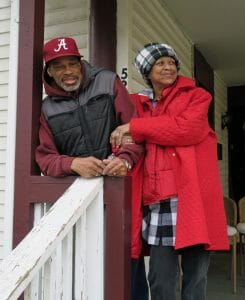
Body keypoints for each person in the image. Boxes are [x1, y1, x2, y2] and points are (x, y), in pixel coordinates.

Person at [110, 42, 229, 300]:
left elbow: (187, 129)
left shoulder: (196, 96)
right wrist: (136, 130)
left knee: (195, 277)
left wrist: (138, 128)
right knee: (161, 279)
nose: (169, 67)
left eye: (172, 62)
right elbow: (125, 137)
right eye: (160, 63)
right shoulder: (136, 103)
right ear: (147, 71)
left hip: (192, 199)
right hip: (157, 202)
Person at [35, 37, 148, 299]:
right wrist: (73, 163)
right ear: (49, 71)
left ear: (81, 62)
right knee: (85, 270)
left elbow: (134, 130)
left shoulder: (108, 81)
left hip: (119, 194)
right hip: (78, 203)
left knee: (128, 265)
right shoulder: (47, 108)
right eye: (59, 66)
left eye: (72, 63)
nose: (68, 72)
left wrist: (124, 160)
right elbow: (45, 158)